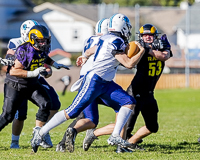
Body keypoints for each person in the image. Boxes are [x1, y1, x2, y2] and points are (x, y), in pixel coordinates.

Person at [30, 13, 145, 153]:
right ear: (123, 27)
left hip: (106, 83)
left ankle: (115, 135)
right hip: (94, 80)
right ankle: (40, 133)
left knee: (129, 102)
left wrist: (85, 55)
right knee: (71, 112)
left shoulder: (107, 38)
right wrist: (141, 51)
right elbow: (128, 64)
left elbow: (94, 49)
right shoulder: (116, 41)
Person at [82, 23, 172, 151]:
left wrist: (149, 50)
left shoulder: (160, 45)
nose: (147, 37)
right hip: (135, 92)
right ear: (141, 36)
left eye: (150, 35)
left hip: (149, 93)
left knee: (152, 127)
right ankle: (95, 134)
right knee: (125, 126)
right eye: (144, 35)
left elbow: (164, 56)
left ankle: (131, 142)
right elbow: (119, 54)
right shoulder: (137, 46)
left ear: (155, 36)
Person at [56, 18, 129, 153]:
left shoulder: (89, 40)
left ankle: (62, 143)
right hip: (98, 81)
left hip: (85, 78)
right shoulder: (109, 41)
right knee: (124, 105)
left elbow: (88, 53)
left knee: (85, 116)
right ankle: (119, 145)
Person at [0, 24, 69, 149]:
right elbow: (14, 71)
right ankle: (17, 140)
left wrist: (55, 64)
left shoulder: (43, 48)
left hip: (31, 83)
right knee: (7, 116)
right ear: (32, 39)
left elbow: (44, 57)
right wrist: (34, 73)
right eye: (40, 41)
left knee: (46, 103)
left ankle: (38, 131)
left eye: (45, 41)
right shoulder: (24, 50)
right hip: (16, 84)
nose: (43, 43)